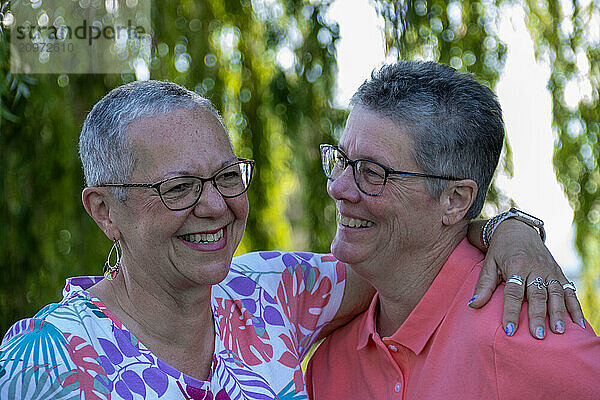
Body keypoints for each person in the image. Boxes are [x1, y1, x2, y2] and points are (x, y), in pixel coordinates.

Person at [0, 80, 580, 399]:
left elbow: (405, 246)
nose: (214, 205)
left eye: (227, 176)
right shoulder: (44, 357)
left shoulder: (268, 296)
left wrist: (510, 227)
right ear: (105, 209)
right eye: (179, 187)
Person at [305, 61, 600, 399]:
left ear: (455, 200)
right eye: (341, 160)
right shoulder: (329, 364)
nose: (338, 188)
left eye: (372, 172)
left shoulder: (521, 335)